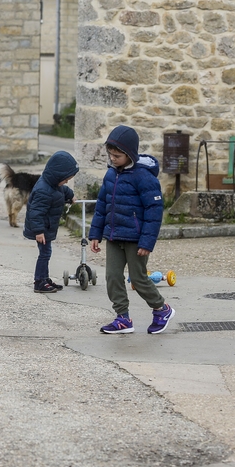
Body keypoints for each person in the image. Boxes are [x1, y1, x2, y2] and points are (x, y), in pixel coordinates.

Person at [88, 125, 175, 335]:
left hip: (136, 238)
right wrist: (95, 234)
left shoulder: (144, 177)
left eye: (117, 155)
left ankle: (161, 309)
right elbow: (102, 205)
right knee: (113, 277)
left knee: (138, 278)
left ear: (130, 154)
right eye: (110, 155)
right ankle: (123, 318)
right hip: (114, 235)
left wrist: (147, 242)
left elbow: (154, 210)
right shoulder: (110, 175)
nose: (113, 159)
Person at [23, 150, 78, 293]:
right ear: (58, 175)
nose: (66, 182)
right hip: (42, 229)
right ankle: (39, 281)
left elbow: (63, 190)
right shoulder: (43, 190)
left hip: (46, 227)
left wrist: (70, 195)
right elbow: (36, 212)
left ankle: (44, 278)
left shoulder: (54, 185)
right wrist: (39, 231)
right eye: (66, 179)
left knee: (46, 253)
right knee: (45, 254)